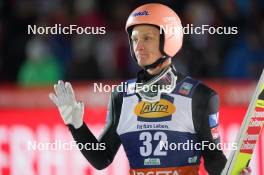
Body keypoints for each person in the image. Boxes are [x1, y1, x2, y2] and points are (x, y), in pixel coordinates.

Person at [49, 3, 251, 175]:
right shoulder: (122, 96)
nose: (138, 46)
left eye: (147, 38)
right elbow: (101, 159)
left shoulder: (199, 96)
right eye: (135, 39)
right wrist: (75, 125)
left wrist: (234, 172)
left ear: (169, 39)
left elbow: (214, 161)